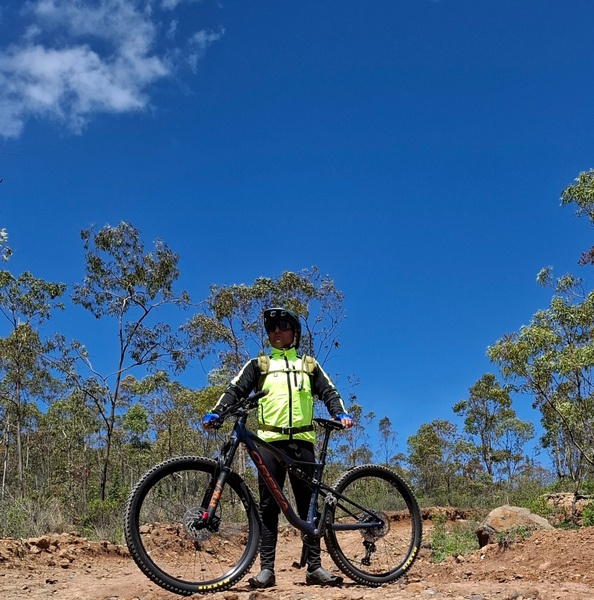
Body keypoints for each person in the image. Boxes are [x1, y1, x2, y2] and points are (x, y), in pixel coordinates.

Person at [202, 307, 353, 588]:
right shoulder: (259, 365)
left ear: (294, 332)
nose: (277, 331)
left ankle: (315, 568)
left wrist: (339, 412)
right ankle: (267, 570)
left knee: (309, 505)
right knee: (268, 506)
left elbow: (329, 391)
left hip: (303, 442)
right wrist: (217, 412)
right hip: (269, 443)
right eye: (272, 328)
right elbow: (235, 390)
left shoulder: (308, 365)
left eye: (283, 326)